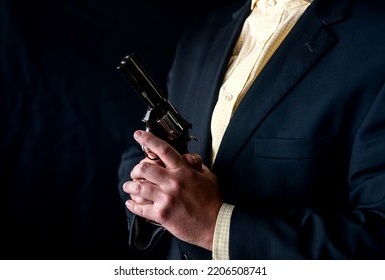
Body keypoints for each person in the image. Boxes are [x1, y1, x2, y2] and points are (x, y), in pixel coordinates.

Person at [118, 0, 385, 259]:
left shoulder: (376, 42)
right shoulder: (201, 35)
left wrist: (215, 226)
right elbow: (144, 153)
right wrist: (154, 191)